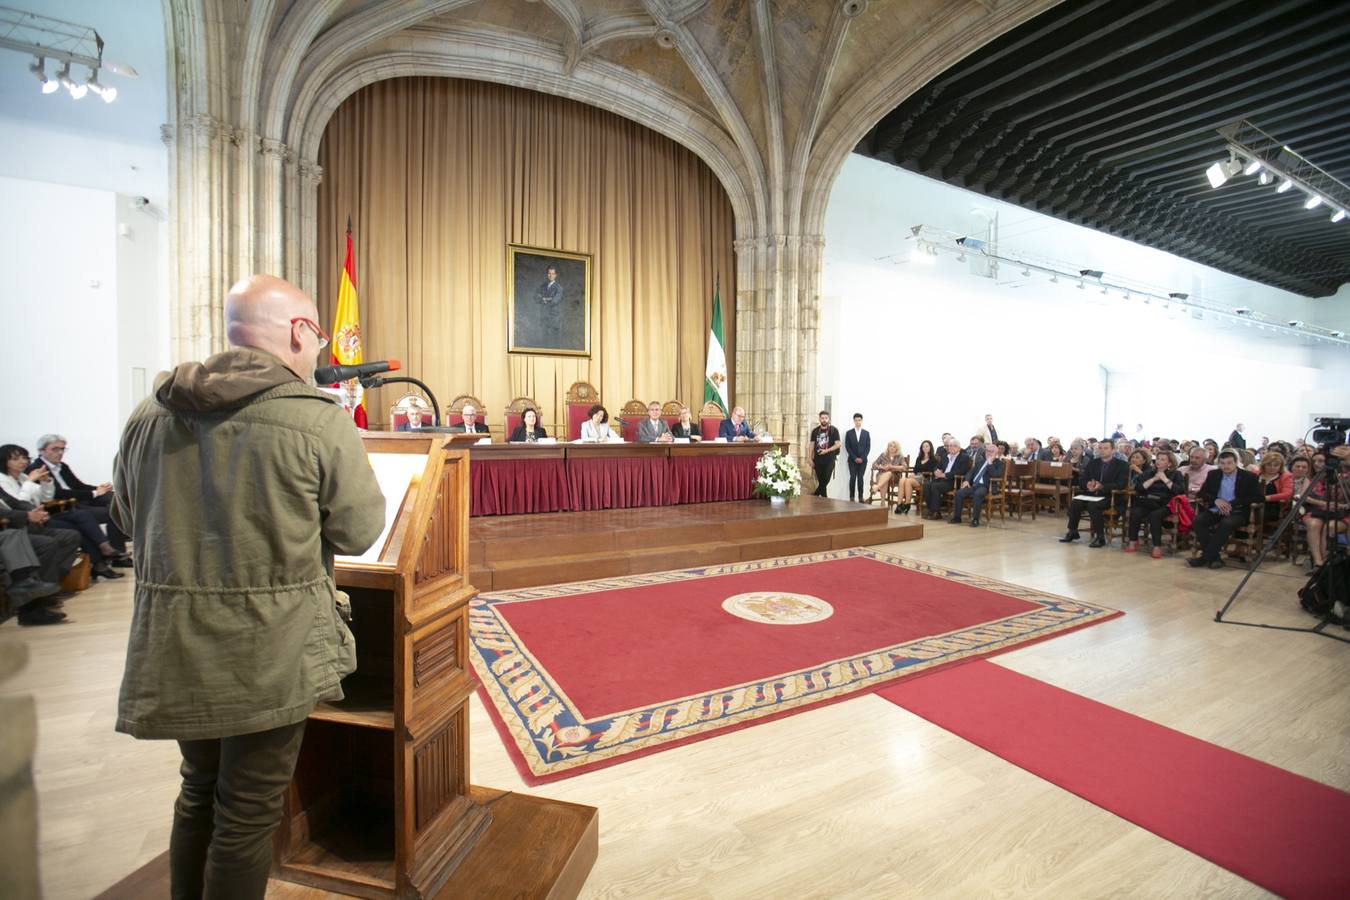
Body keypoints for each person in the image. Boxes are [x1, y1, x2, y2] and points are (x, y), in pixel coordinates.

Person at [110, 273, 386, 899]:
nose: (319, 352)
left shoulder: (150, 412)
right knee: (248, 811)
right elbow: (359, 529)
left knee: (197, 788)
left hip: (174, 640)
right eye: (318, 336)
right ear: (297, 331)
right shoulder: (314, 419)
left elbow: (127, 518)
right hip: (269, 647)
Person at [1, 445, 125, 580]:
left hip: (41, 517)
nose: (22, 461)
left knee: (82, 521)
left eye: (24, 457)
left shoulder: (24, 477)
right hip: (24, 523)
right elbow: (18, 504)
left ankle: (101, 558)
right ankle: (101, 558)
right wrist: (30, 483)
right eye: (15, 459)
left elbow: (46, 498)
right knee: (76, 526)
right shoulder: (6, 480)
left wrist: (47, 482)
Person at [32, 434, 131, 562]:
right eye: (55, 449)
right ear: (41, 450)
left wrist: (99, 489)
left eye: (62, 449)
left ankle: (120, 547)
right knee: (113, 513)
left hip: (79, 501)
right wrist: (94, 493)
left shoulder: (62, 466)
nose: (60, 453)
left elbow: (79, 486)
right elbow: (59, 494)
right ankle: (116, 555)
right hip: (62, 506)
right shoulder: (36, 470)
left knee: (114, 499)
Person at [0, 506, 79, 625]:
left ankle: (40, 596)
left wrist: (35, 512)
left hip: (15, 528)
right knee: (13, 536)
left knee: (46, 543)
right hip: (9, 530)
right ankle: (28, 602)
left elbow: (15, 502)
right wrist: (27, 515)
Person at [1187, 450, 1263, 569]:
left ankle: (1205, 557)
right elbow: (1202, 493)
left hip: (1238, 511)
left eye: (1229, 463)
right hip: (1216, 509)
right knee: (1198, 520)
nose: (1225, 466)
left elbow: (1258, 497)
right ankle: (1214, 558)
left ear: (1236, 463)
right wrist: (1216, 500)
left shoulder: (1249, 476)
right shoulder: (1214, 474)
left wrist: (1232, 503)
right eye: (1222, 463)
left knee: (1226, 523)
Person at [1061, 439, 1127, 547]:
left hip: (1110, 496)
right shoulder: (1093, 463)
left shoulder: (1122, 465)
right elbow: (1083, 479)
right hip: (1091, 494)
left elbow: (1121, 484)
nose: (1102, 451)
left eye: (1106, 448)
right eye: (1100, 448)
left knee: (1093, 506)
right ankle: (1072, 531)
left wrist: (1102, 486)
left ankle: (1100, 537)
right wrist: (1087, 484)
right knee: (1075, 502)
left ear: (1113, 450)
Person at [1125, 448, 1185, 558]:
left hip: (1165, 504)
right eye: (1157, 458)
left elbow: (1179, 491)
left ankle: (1157, 546)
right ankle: (1133, 541)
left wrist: (1165, 479)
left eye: (1162, 459)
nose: (1158, 461)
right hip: (1149, 501)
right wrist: (1153, 479)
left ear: (1170, 463)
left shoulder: (1176, 474)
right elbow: (1139, 488)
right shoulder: (1149, 473)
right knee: (1136, 512)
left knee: (1154, 515)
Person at [950, 443, 1004, 527]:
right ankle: (957, 517)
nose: (989, 453)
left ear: (996, 453)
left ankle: (975, 519)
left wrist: (990, 463)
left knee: (977, 494)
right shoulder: (980, 461)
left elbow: (995, 475)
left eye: (991, 451)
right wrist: (967, 480)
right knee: (959, 493)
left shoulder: (999, 463)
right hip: (974, 485)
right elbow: (970, 472)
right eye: (987, 451)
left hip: (986, 486)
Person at [922, 437, 971, 519]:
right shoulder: (945, 456)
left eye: (954, 446)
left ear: (959, 448)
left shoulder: (964, 457)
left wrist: (945, 475)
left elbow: (962, 471)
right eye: (950, 445)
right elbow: (936, 467)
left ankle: (936, 512)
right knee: (926, 485)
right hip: (941, 479)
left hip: (953, 481)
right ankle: (931, 509)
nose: (951, 447)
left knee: (935, 486)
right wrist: (936, 471)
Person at [871, 441, 910, 513]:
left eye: (894, 446)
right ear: (888, 447)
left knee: (888, 473)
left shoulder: (900, 456)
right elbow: (874, 464)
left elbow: (905, 467)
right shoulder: (883, 455)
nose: (892, 448)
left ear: (897, 448)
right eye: (890, 446)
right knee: (885, 480)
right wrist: (882, 467)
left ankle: (876, 487)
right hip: (881, 474)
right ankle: (883, 503)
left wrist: (892, 467)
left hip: (894, 476)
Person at [808, 411, 841, 498]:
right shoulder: (815, 431)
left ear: (828, 419)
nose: (824, 420)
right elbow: (811, 445)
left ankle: (815, 495)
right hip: (818, 460)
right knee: (822, 482)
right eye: (822, 418)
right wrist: (809, 458)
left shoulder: (834, 430)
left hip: (829, 460)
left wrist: (827, 451)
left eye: (826, 418)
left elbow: (838, 444)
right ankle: (824, 500)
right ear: (819, 419)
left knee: (825, 479)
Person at [1257, 451, 1292, 525]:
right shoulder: (1256, 474)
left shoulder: (1285, 476)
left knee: (1255, 515)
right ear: (1264, 464)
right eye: (1269, 465)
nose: (1272, 468)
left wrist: (1266, 498)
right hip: (1252, 504)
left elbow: (1287, 494)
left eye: (1276, 465)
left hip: (1272, 507)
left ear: (1280, 466)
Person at [844, 413, 870, 502]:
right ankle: (851, 497)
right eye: (856, 420)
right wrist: (855, 458)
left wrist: (862, 458)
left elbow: (868, 447)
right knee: (853, 477)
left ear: (861, 421)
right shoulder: (849, 433)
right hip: (852, 460)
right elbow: (847, 447)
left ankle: (860, 497)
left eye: (859, 420)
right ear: (854, 421)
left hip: (863, 460)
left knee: (860, 478)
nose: (858, 422)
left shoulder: (866, 433)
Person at [535, 265, 563, 343]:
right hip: (544, 317)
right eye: (549, 273)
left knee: (554, 342)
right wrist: (543, 298)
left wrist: (543, 298)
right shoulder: (542, 286)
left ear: (555, 275)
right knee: (544, 340)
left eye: (552, 273)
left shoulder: (559, 288)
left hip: (554, 319)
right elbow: (536, 297)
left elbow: (555, 301)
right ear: (547, 274)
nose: (550, 275)